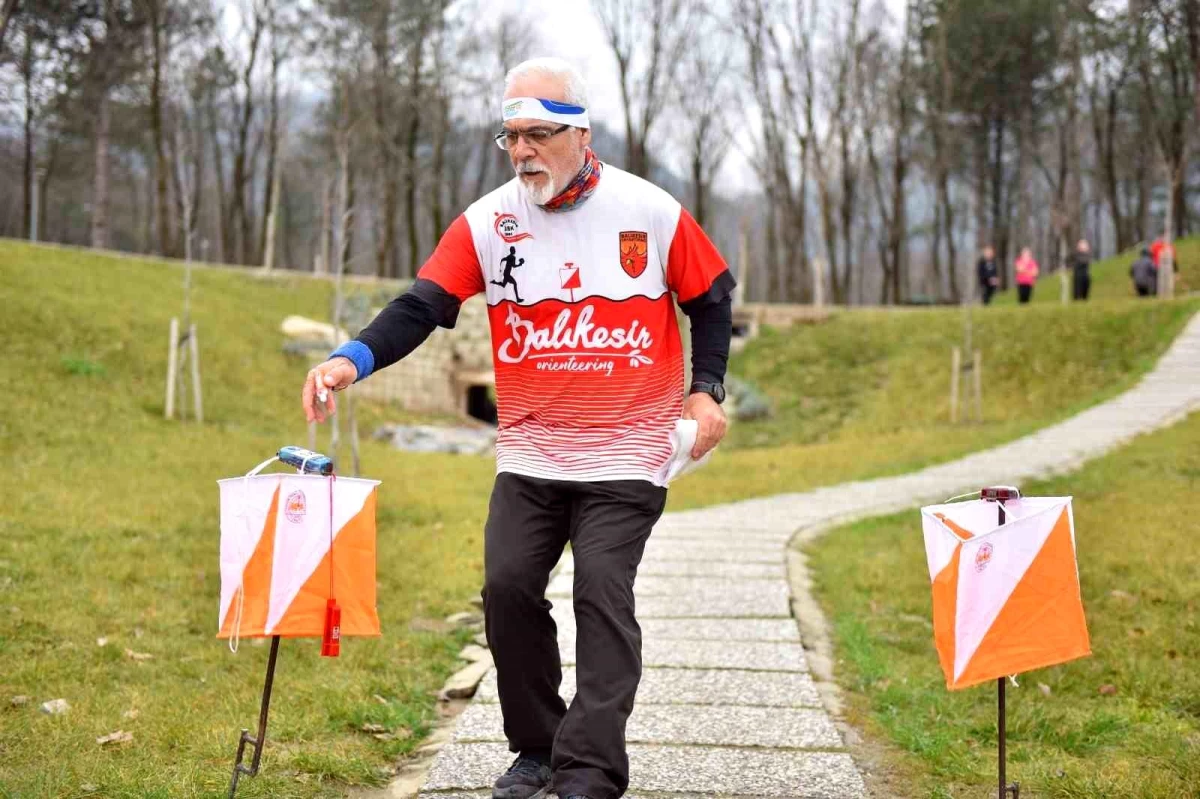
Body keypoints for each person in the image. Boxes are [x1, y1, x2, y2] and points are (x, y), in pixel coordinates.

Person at [301, 57, 734, 799]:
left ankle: (590, 770)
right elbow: (422, 304)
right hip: (531, 453)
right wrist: (352, 358)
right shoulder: (489, 219)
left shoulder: (650, 210)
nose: (523, 151)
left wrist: (706, 389)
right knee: (506, 588)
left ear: (580, 134)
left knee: (602, 589)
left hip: (628, 453)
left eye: (538, 134)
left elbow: (712, 295)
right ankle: (536, 746)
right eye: (511, 137)